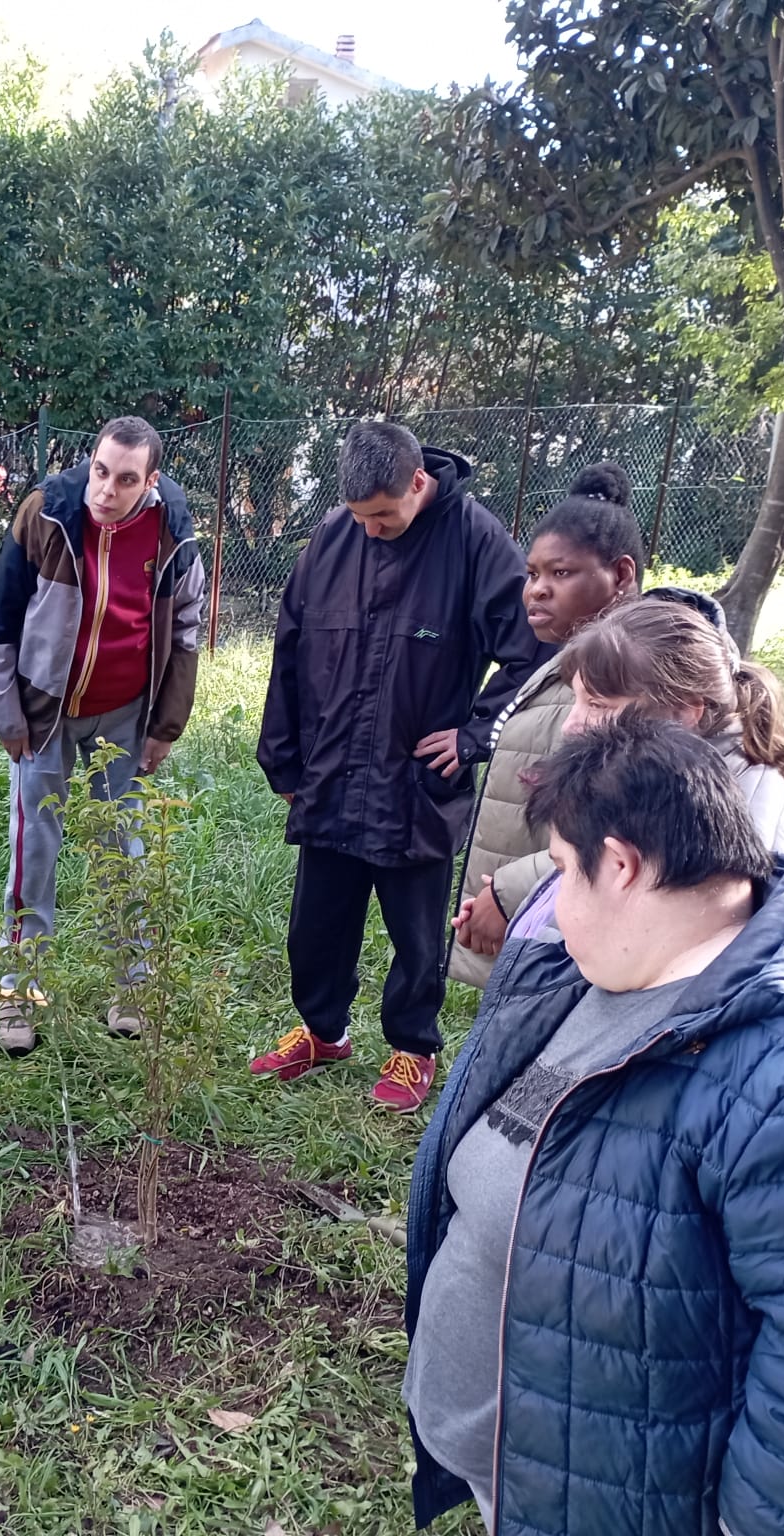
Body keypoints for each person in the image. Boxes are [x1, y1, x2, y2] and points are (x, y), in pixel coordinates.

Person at [403, 716, 784, 1535]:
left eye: (563, 872)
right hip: (537, 1473)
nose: (555, 908)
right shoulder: (598, 976)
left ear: (625, 866)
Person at [252, 421, 547, 1110]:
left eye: (383, 516)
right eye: (361, 518)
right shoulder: (333, 536)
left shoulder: (475, 540)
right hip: (329, 773)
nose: (373, 531)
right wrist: (284, 759)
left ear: (419, 483)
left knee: (418, 933)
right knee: (316, 924)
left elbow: (533, 653)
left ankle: (413, 1048)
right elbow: (289, 649)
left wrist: (475, 735)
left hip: (416, 782)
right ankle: (322, 1031)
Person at [0, 415, 204, 1055]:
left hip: (125, 715)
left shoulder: (172, 531)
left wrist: (166, 725)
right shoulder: (46, 514)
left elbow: (186, 627)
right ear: (91, 461)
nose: (106, 489)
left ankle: (131, 990)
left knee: (124, 848)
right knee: (34, 851)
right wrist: (5, 715)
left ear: (150, 482)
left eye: (125, 479)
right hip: (44, 714)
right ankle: (18, 994)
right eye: (101, 471)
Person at [466, 594, 784, 958]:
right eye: (575, 699)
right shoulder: (666, 783)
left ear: (684, 714)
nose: (571, 726)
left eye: (597, 705)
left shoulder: (727, 835)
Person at [446, 462, 643, 989]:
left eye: (561, 574)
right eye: (532, 574)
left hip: (583, 938)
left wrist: (510, 893)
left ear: (620, 576)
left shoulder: (633, 678)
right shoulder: (561, 665)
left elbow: (627, 825)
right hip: (544, 924)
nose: (536, 590)